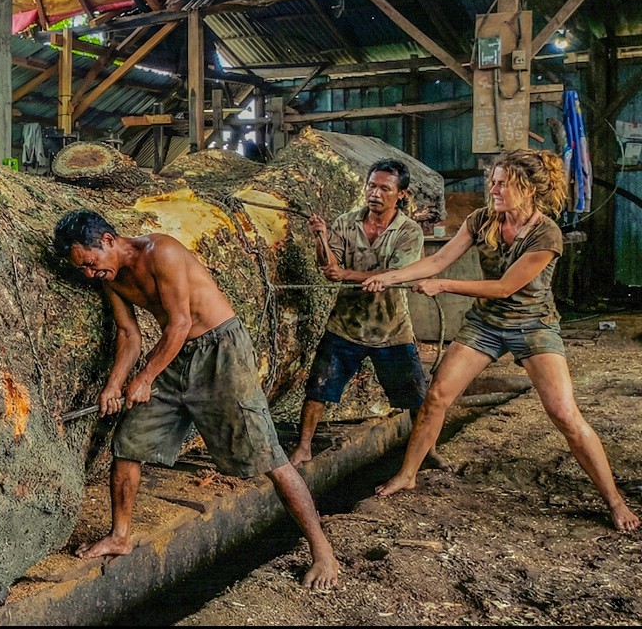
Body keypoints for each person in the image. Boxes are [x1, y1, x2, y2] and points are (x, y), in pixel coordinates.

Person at [53, 209, 341, 590]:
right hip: (174, 355)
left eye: (90, 264)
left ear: (107, 240)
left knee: (269, 456)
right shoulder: (111, 278)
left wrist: (144, 378)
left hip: (221, 350)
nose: (90, 274)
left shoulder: (162, 252)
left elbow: (181, 323)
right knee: (129, 443)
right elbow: (129, 335)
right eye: (83, 270)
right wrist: (114, 384)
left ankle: (323, 552)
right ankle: (120, 536)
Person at [362, 148, 639, 533]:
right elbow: (437, 261)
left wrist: (443, 286)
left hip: (534, 325)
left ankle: (614, 499)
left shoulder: (546, 233)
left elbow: (505, 286)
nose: (492, 189)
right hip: (487, 324)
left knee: (564, 413)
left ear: (527, 190)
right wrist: (390, 277)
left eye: (502, 184)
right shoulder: (481, 220)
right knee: (438, 395)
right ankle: (408, 473)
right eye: (492, 181)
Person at [288, 159, 444, 470]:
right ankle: (304, 447)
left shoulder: (409, 231)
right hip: (347, 323)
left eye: (385, 188)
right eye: (372, 186)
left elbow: (398, 273)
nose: (375, 193)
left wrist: (347, 273)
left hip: (391, 327)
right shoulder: (347, 222)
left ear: (401, 194)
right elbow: (328, 266)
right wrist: (320, 235)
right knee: (319, 386)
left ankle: (429, 451)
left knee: (415, 394)